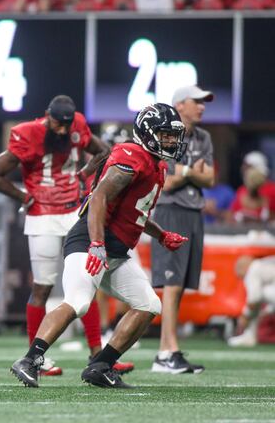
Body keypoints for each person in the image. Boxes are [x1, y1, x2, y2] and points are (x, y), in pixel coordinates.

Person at [10, 103, 188, 389]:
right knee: (78, 301)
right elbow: (98, 198)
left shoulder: (157, 164)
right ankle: (30, 360)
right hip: (90, 241)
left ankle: (101, 365)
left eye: (172, 135)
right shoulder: (132, 155)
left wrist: (161, 235)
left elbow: (137, 213)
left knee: (148, 305)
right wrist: (96, 243)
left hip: (116, 249)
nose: (170, 141)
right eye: (165, 134)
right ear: (147, 133)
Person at [0, 95, 130, 376]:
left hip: (74, 212)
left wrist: (86, 172)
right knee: (42, 286)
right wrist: (22, 196)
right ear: (47, 116)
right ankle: (34, 358)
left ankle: (97, 354)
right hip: (43, 216)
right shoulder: (29, 133)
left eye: (66, 125)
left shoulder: (77, 126)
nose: (62, 131)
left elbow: (105, 152)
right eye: (57, 124)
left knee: (87, 282)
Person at [150, 85, 216, 375]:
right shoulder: (166, 132)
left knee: (180, 284)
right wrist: (192, 172)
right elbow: (166, 180)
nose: (202, 106)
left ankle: (168, 350)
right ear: (180, 105)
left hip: (192, 212)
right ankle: (167, 352)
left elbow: (211, 179)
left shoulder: (204, 137)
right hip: (170, 211)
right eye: (197, 101)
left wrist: (184, 173)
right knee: (171, 285)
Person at [227, 255, 275, 347]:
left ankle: (249, 336)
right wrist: (266, 311)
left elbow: (254, 298)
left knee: (258, 300)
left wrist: (245, 316)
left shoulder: (253, 269)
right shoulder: (262, 265)